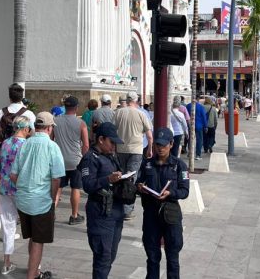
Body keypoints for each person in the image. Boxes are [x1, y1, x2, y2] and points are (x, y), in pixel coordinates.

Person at [11, 111, 65, 279]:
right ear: (49, 128)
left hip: (23, 199)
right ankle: (32, 275)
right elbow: (56, 178)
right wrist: (53, 197)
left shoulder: (24, 144)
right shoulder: (52, 147)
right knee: (38, 241)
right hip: (41, 200)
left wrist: (24, 186)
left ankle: (35, 270)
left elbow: (13, 175)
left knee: (33, 238)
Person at [136, 128, 190, 279]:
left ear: (171, 144)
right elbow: (138, 184)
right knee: (152, 257)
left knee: (172, 258)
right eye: (157, 145)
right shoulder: (146, 164)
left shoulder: (180, 166)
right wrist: (140, 188)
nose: (160, 148)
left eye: (164, 145)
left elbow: (185, 191)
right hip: (151, 215)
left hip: (170, 215)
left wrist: (171, 193)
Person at [78, 122, 127, 279]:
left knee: (110, 255)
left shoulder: (111, 156)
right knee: (102, 257)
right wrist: (108, 179)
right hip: (100, 214)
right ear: (100, 139)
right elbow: (87, 185)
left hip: (116, 212)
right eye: (111, 142)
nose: (113, 146)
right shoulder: (90, 159)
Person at [0, 83, 35, 239]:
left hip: (3, 152)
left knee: (4, 186)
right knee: (19, 188)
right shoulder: (29, 114)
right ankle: (14, 225)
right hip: (22, 151)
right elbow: (33, 136)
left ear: (9, 96)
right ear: (22, 96)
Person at [0, 115, 33, 275]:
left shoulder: (6, 143)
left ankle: (6, 261)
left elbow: (0, 164)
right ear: (25, 129)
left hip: (5, 188)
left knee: (8, 225)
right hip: (21, 189)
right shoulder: (26, 145)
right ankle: (34, 264)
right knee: (32, 226)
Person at [113, 91, 153, 220]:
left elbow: (112, 131)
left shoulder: (118, 112)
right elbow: (149, 135)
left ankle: (119, 202)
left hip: (121, 148)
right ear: (136, 100)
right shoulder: (141, 114)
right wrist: (150, 149)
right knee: (132, 177)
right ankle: (127, 209)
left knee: (121, 175)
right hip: (136, 149)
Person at [53, 96, 89, 225]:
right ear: (76, 108)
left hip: (59, 160)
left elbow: (51, 140)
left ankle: (51, 214)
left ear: (65, 106)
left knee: (58, 188)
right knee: (75, 188)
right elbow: (85, 145)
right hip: (75, 161)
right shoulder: (81, 123)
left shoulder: (55, 121)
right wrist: (84, 159)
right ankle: (74, 215)